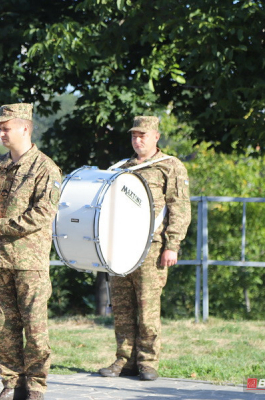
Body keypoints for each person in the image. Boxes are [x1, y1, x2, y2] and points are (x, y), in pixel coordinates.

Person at [0, 103, 61, 400]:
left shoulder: (45, 167)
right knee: (3, 328)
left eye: (6, 127)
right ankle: (11, 383)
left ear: (25, 128)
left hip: (29, 261)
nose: (1, 132)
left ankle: (35, 386)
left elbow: (43, 214)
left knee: (34, 328)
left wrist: (1, 227)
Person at [98, 116, 191, 381]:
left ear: (156, 137)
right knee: (123, 307)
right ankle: (123, 360)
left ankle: (148, 362)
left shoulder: (169, 166)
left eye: (143, 136)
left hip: (152, 248)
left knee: (148, 309)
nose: (137, 141)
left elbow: (180, 208)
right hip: (119, 248)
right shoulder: (121, 168)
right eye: (134, 136)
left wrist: (172, 245)